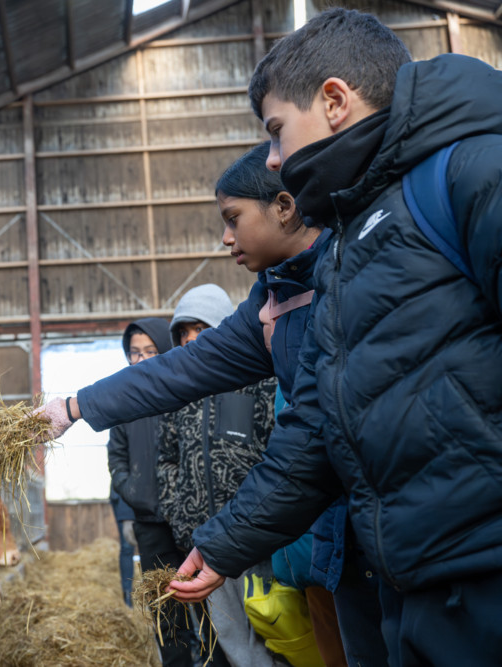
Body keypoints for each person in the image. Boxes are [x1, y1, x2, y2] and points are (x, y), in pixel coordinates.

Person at [164, 9, 502, 666]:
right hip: (414, 583)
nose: (272, 158)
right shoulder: (346, 251)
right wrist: (226, 542)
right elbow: (317, 425)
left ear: (335, 101)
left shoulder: (472, 173)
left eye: (276, 131)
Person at [34, 140, 378, 661]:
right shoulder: (272, 302)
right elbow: (181, 370)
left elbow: (303, 444)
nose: (225, 237)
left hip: (377, 526)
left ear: (284, 207)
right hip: (329, 534)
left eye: (233, 218)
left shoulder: (352, 276)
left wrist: (223, 544)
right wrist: (74, 406)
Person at [155, 284, 279, 667]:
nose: (191, 339)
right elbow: (166, 459)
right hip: (203, 542)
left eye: (200, 328)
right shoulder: (178, 394)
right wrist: (179, 512)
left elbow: (276, 447)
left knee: (274, 636)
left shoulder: (259, 380)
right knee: (222, 646)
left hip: (256, 541)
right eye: (183, 332)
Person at [106, 316, 197, 666]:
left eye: (150, 351)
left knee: (205, 602)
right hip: (149, 519)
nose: (141, 359)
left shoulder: (185, 391)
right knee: (165, 607)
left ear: (166, 350)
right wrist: (131, 491)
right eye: (135, 352)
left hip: (190, 518)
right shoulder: (123, 402)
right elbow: (116, 456)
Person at [109, 486, 137, 607]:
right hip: (124, 496)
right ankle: (127, 596)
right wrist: (127, 516)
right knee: (127, 546)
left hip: (141, 494)